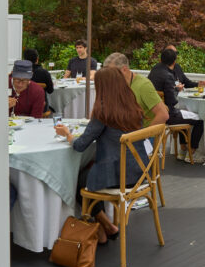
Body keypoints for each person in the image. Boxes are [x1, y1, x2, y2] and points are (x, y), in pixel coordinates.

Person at [55, 68, 150, 241]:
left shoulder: (104, 112)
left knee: (77, 179)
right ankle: (103, 227)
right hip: (139, 171)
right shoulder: (134, 107)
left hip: (119, 176)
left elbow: (80, 145)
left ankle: (103, 225)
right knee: (90, 171)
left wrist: (67, 134)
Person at [148, 48, 204, 156]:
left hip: (151, 112)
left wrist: (174, 88)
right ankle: (191, 150)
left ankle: (183, 146)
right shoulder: (168, 76)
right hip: (167, 115)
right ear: (174, 61)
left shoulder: (155, 69)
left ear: (160, 59)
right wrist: (177, 89)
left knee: (183, 112)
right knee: (201, 119)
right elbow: (172, 101)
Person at [102, 52, 169, 126]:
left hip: (140, 133)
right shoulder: (116, 83)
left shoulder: (143, 85)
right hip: (124, 131)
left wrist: (144, 135)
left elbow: (163, 115)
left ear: (124, 70)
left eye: (111, 73)